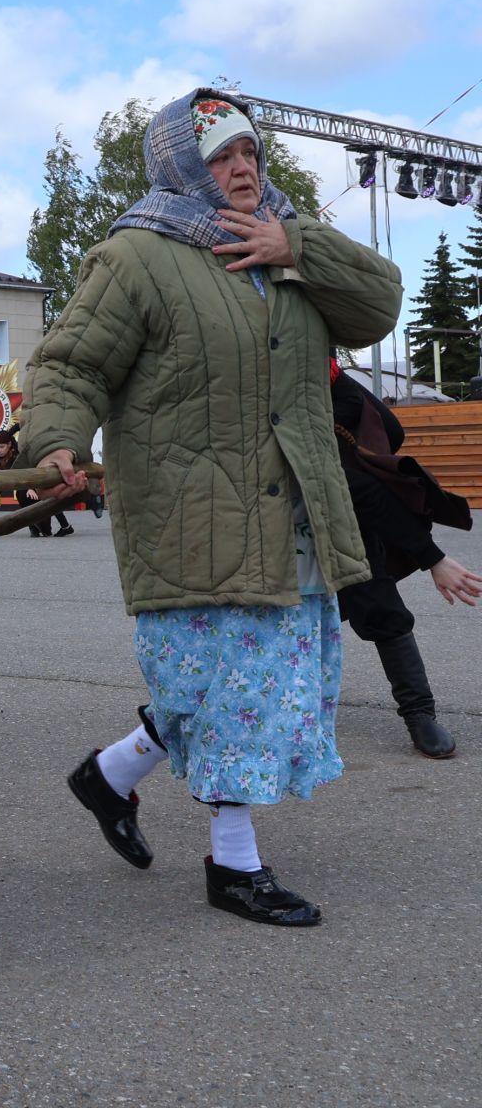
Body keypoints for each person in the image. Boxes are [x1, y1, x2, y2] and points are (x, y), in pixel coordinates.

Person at [25, 88, 402, 928]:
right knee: (235, 687)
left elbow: (379, 304)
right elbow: (71, 364)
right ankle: (233, 864)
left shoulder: (286, 242)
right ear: (181, 166)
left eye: (249, 154)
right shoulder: (137, 255)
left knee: (246, 682)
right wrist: (55, 441)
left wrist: (294, 244)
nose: (241, 170)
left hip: (295, 511)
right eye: (221, 157)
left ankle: (110, 774)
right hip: (193, 509)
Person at [330, 359, 481, 758]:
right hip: (277, 523)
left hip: (347, 523)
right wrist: (433, 559)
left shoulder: (332, 383)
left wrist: (433, 558)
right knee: (287, 620)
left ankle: (419, 713)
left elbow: (384, 444)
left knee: (382, 609)